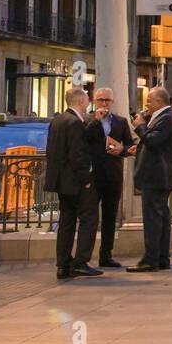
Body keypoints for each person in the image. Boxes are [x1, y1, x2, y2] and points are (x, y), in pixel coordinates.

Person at [46, 86, 102, 279]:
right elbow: (77, 154)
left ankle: (63, 264)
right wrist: (86, 179)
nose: (89, 101)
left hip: (62, 182)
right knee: (89, 219)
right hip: (77, 182)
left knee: (67, 222)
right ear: (80, 101)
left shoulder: (58, 120)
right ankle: (81, 261)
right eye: (87, 98)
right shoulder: (74, 123)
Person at [84, 86, 136, 268]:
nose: (104, 104)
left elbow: (130, 145)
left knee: (109, 216)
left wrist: (122, 150)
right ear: (94, 101)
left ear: (112, 102)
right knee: (90, 217)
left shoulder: (120, 122)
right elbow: (84, 139)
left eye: (107, 100)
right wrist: (96, 121)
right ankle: (84, 257)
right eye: (100, 100)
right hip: (93, 175)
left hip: (113, 175)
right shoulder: (87, 119)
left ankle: (106, 254)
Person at [129, 87, 172, 272]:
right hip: (159, 175)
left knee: (153, 219)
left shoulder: (167, 117)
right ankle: (161, 257)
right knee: (162, 217)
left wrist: (140, 126)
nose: (146, 104)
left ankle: (151, 259)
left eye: (149, 100)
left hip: (157, 176)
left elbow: (153, 141)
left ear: (159, 102)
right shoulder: (163, 117)